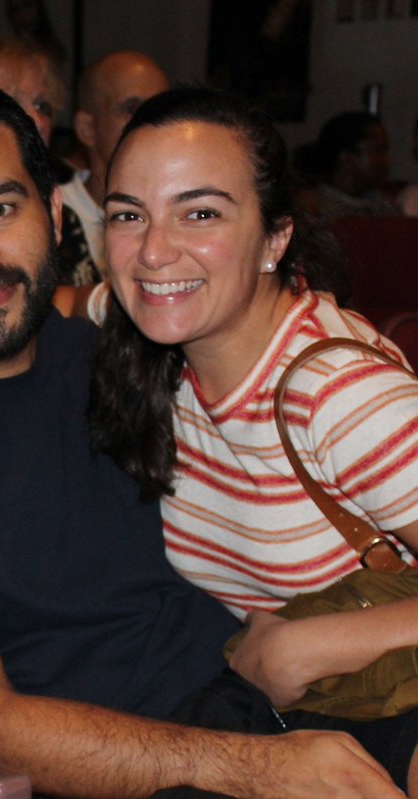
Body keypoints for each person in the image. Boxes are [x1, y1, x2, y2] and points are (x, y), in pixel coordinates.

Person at [0, 80, 408, 798]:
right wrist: (254, 768)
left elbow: (201, 292)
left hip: (293, 698)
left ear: (55, 216)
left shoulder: (134, 342)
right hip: (144, 767)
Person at [91, 87, 418, 793]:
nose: (154, 250)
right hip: (293, 713)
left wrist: (314, 642)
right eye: (128, 215)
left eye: (200, 213)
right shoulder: (159, 320)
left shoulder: (337, 395)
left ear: (274, 239)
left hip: (388, 698)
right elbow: (67, 298)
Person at [58, 50, 169, 285]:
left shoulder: (182, 215)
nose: (153, 123)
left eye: (162, 111)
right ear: (87, 128)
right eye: (132, 110)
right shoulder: (52, 216)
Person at [309, 111, 398, 221]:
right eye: (379, 151)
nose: (388, 161)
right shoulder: (315, 210)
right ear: (347, 157)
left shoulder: (383, 206)